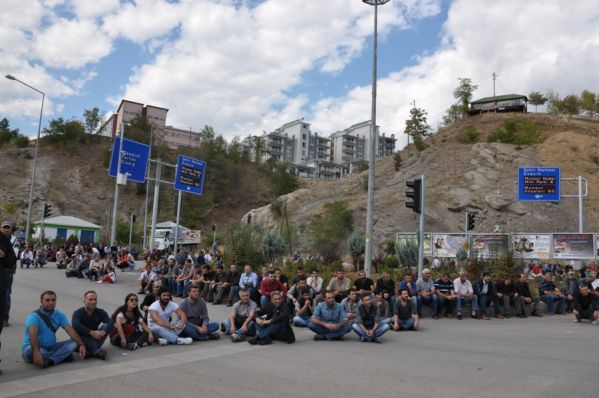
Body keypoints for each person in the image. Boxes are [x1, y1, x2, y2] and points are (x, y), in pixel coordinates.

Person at [21, 291, 87, 368]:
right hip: (33, 348)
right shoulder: (33, 317)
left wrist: (82, 344)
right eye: (47, 300)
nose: (51, 302)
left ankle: (51, 361)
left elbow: (70, 330)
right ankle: (62, 356)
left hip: (51, 347)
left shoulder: (59, 315)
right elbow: (33, 335)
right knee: (36, 352)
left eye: (53, 300)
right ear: (41, 301)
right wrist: (36, 351)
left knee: (74, 343)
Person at [71, 291, 114, 360]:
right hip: (80, 341)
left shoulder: (100, 312)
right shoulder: (78, 313)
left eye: (95, 299)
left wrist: (102, 332)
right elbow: (75, 325)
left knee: (105, 326)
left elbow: (111, 323)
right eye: (90, 299)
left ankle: (90, 352)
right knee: (78, 331)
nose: (93, 302)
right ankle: (96, 350)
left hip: (95, 338)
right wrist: (91, 332)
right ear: (84, 301)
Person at [1, 222, 18, 328]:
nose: (6, 229)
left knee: (6, 294)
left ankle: (5, 317)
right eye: (4, 227)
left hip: (7, 271)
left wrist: (4, 254)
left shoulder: (13, 241)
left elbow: (13, 257)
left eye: (8, 228)